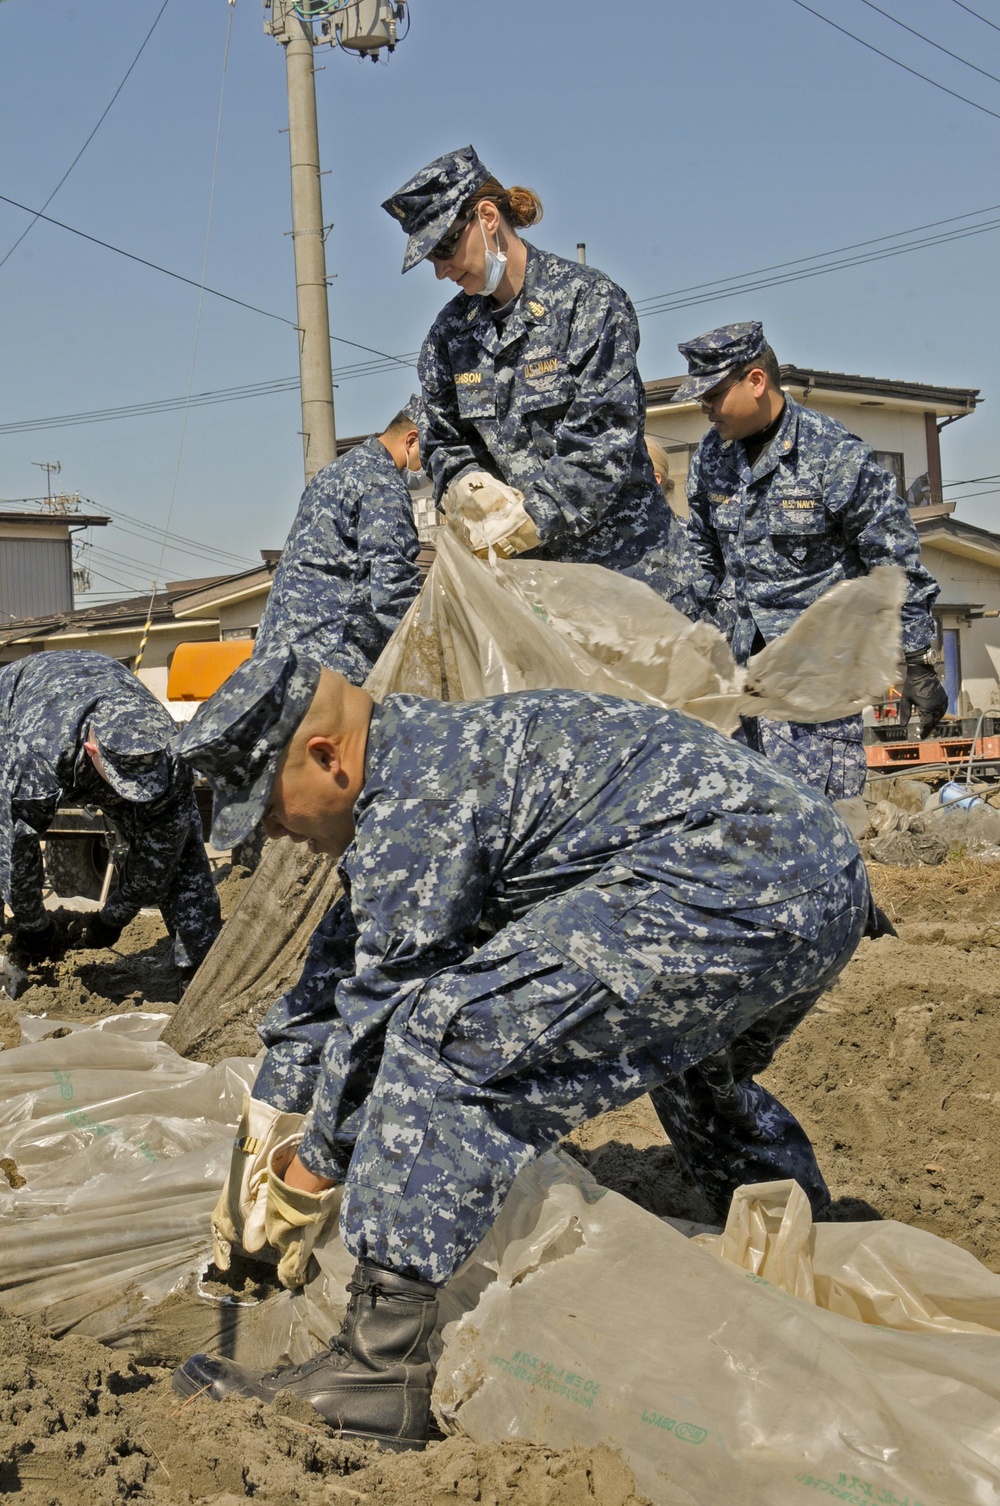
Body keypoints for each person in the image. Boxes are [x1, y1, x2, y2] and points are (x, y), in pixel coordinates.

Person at [172, 645, 877, 1450]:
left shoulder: (418, 804)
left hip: (740, 883)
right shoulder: (418, 765)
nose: (275, 834)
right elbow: (332, 980)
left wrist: (309, 1176)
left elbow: (377, 1020)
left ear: (327, 758)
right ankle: (799, 1249)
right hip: (815, 881)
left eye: (269, 810)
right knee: (680, 1056)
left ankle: (376, 1370)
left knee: (449, 1037)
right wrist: (265, 1133)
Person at [381, 146, 694, 612]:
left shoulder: (587, 302)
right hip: (535, 599)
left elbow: (603, 439)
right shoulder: (449, 337)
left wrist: (528, 519)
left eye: (445, 248)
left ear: (487, 217)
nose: (441, 270)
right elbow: (444, 440)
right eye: (431, 259)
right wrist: (468, 482)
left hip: (630, 581)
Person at [672, 321, 947, 799]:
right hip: (738, 682)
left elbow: (894, 558)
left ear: (756, 381)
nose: (705, 409)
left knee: (820, 833)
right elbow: (702, 554)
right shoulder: (711, 457)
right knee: (746, 835)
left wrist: (917, 658)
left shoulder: (831, 455)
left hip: (813, 689)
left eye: (713, 394)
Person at [0, 651, 220, 967]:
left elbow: (164, 850)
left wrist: (114, 916)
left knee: (185, 852)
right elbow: (16, 845)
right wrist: (33, 923)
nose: (137, 795)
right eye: (125, 783)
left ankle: (198, 964)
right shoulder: (36, 756)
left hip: (98, 691)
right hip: (17, 704)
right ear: (92, 751)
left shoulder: (171, 754)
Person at [255, 397, 424, 684]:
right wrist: (433, 653)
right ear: (411, 441)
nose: (429, 470)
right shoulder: (383, 484)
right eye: (428, 457)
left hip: (275, 659)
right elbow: (392, 591)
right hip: (331, 666)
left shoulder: (335, 471)